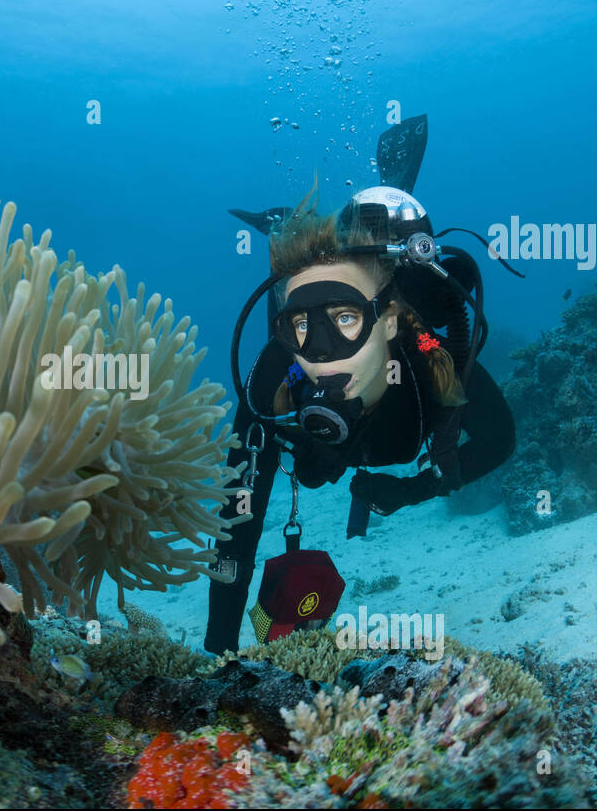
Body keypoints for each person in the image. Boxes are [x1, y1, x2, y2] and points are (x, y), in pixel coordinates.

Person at [203, 184, 516, 656]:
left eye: (345, 318)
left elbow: (500, 440)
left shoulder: (432, 358)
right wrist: (220, 652)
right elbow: (237, 527)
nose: (322, 351)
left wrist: (414, 491)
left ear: (389, 320)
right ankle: (291, 235)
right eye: (302, 324)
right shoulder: (276, 384)